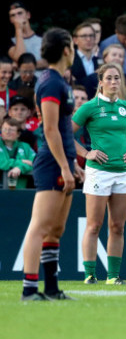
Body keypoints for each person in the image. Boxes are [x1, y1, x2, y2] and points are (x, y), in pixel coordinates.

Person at [21, 28, 79, 301]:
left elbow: (63, 129)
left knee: (56, 229)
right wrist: (65, 167)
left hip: (62, 161)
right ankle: (29, 289)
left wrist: (72, 165)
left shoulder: (58, 81)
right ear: (66, 49)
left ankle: (52, 289)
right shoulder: (51, 82)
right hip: (51, 162)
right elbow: (51, 130)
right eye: (73, 45)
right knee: (40, 226)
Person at [72, 63, 126, 285]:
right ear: (100, 82)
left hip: (122, 173)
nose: (113, 82)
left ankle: (113, 276)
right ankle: (90, 274)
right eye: (109, 78)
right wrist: (85, 152)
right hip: (99, 172)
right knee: (94, 225)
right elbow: (66, 133)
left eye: (117, 78)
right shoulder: (90, 107)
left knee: (117, 226)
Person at [8, 1, 45, 68]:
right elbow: (20, 58)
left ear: (28, 15)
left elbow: (50, 62)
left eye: (20, 13)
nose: (17, 17)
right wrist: (18, 29)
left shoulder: (43, 37)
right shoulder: (10, 42)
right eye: (13, 15)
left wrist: (22, 66)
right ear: (11, 20)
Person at [0, 118, 35, 189]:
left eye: (11, 130)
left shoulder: (25, 146)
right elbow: (1, 162)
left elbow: (35, 163)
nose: (7, 132)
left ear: (18, 134)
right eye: (4, 129)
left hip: (21, 191)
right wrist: (21, 162)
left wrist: (20, 168)